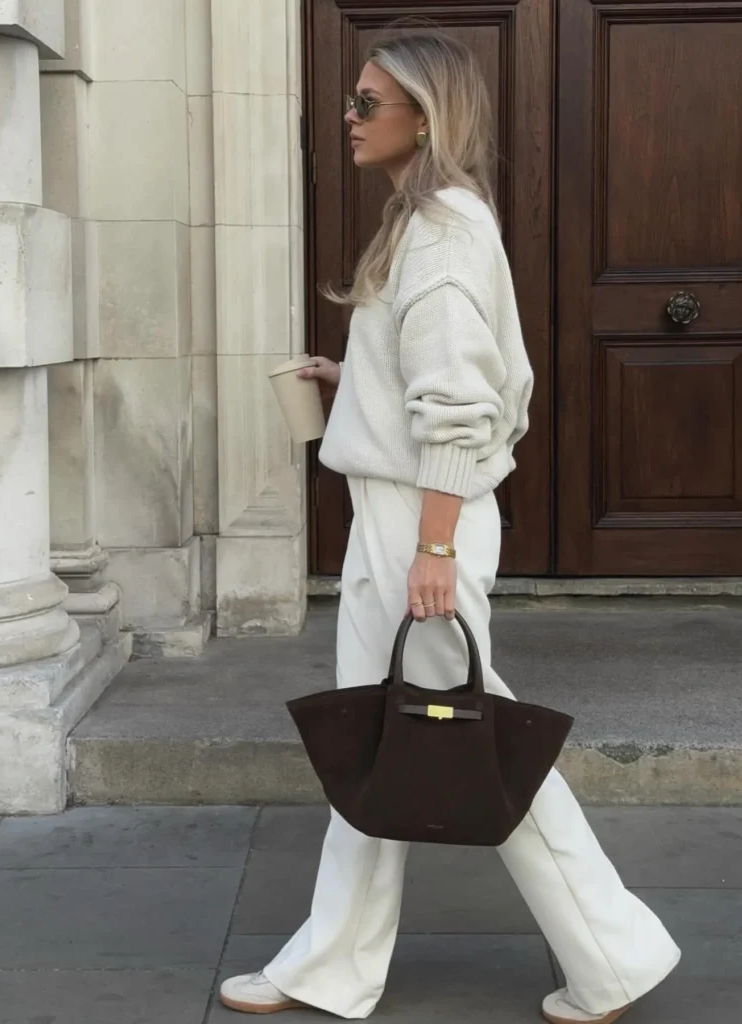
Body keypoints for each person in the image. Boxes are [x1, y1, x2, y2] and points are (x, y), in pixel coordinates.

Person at [220, 31, 680, 1024]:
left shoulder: (441, 229)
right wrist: (354, 387)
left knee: (471, 741)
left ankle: (613, 954)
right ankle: (337, 963)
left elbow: (464, 410)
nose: (347, 114)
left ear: (421, 117)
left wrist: (430, 549)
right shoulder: (427, 222)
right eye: (351, 99)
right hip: (409, 510)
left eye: (365, 101)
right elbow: (435, 382)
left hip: (418, 520)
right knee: (381, 740)